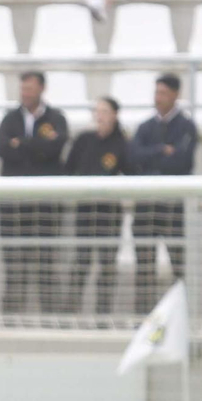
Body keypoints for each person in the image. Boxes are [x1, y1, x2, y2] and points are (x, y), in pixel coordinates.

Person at [0, 70, 69, 315]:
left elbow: (55, 148)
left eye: (29, 88)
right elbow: (2, 148)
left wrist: (22, 144)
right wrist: (36, 147)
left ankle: (50, 318)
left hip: (45, 206)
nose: (25, 93)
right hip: (13, 206)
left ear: (41, 89)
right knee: (14, 266)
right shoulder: (10, 118)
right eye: (23, 88)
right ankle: (12, 319)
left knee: (46, 263)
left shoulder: (56, 118)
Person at [128, 73, 198, 314]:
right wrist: (161, 150)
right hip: (146, 206)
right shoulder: (145, 127)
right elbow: (133, 158)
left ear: (176, 95)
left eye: (163, 93)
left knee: (178, 263)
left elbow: (182, 162)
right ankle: (143, 317)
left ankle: (182, 316)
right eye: (156, 92)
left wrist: (152, 158)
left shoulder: (186, 127)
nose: (158, 98)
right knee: (144, 266)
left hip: (171, 207)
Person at [65, 96, 128, 317]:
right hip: (85, 212)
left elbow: (132, 173)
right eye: (97, 111)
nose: (99, 116)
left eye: (104, 111)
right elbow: (68, 169)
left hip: (109, 214)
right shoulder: (84, 140)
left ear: (114, 115)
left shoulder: (122, 143)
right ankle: (71, 314)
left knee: (107, 265)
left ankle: (103, 316)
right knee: (80, 262)